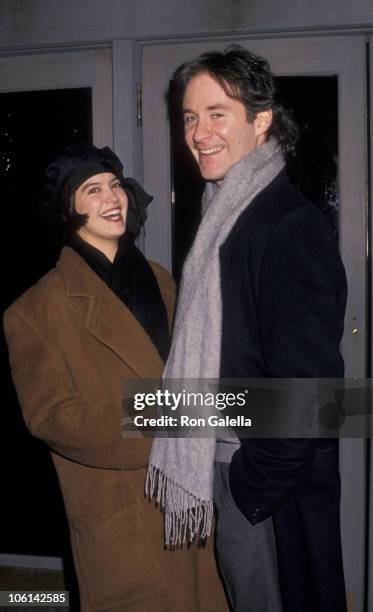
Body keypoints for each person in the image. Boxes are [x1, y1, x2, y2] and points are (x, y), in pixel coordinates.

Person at [147, 47, 347, 612]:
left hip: (265, 490)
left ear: (261, 121)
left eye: (217, 113)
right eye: (189, 117)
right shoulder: (225, 214)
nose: (199, 132)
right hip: (237, 464)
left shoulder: (287, 225)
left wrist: (247, 487)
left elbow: (312, 397)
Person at [4, 143, 228, 612]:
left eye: (115, 185)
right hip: (122, 514)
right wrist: (172, 424)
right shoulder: (34, 311)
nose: (113, 197)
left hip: (187, 499)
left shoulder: (160, 278)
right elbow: (55, 418)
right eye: (92, 189)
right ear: (68, 208)